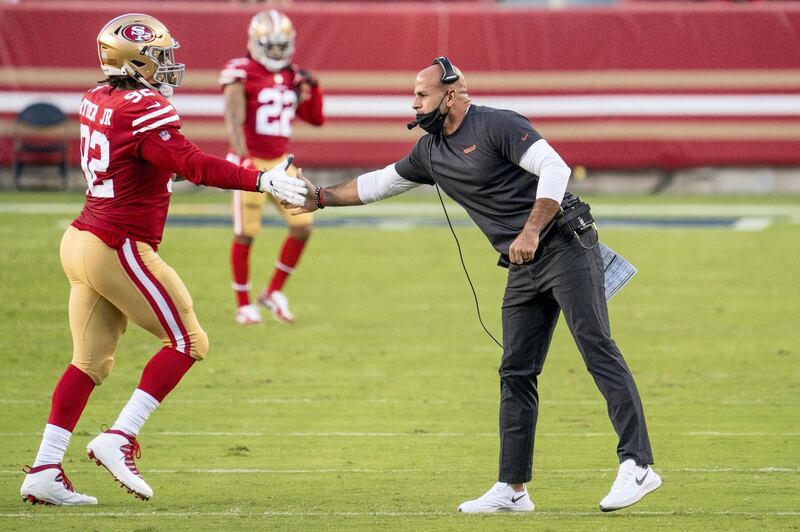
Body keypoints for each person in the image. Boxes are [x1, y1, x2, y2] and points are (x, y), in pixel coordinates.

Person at [291, 57, 661, 513]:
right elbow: (378, 184)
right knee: (516, 371)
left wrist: (528, 231)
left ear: (450, 94)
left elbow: (556, 168)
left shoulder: (497, 125)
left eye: (422, 94)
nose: (414, 102)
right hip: (522, 262)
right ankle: (512, 489)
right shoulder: (429, 150)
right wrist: (320, 198)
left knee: (596, 347)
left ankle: (638, 465)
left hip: (565, 243)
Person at [19, 13, 305, 506]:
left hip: (82, 239)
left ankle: (45, 467)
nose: (170, 65)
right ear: (135, 59)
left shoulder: (98, 97)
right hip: (119, 244)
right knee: (189, 340)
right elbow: (191, 164)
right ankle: (119, 437)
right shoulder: (144, 109)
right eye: (161, 56)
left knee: (88, 363)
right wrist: (261, 179)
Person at [221, 9, 325, 325]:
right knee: (246, 233)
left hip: (282, 163)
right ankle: (243, 303)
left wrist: (314, 87)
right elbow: (234, 121)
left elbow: (315, 118)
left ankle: (273, 292)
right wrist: (243, 160)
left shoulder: (292, 74)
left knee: (303, 225)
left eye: (282, 45)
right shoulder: (240, 71)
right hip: (251, 161)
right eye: (273, 45)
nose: (278, 51)